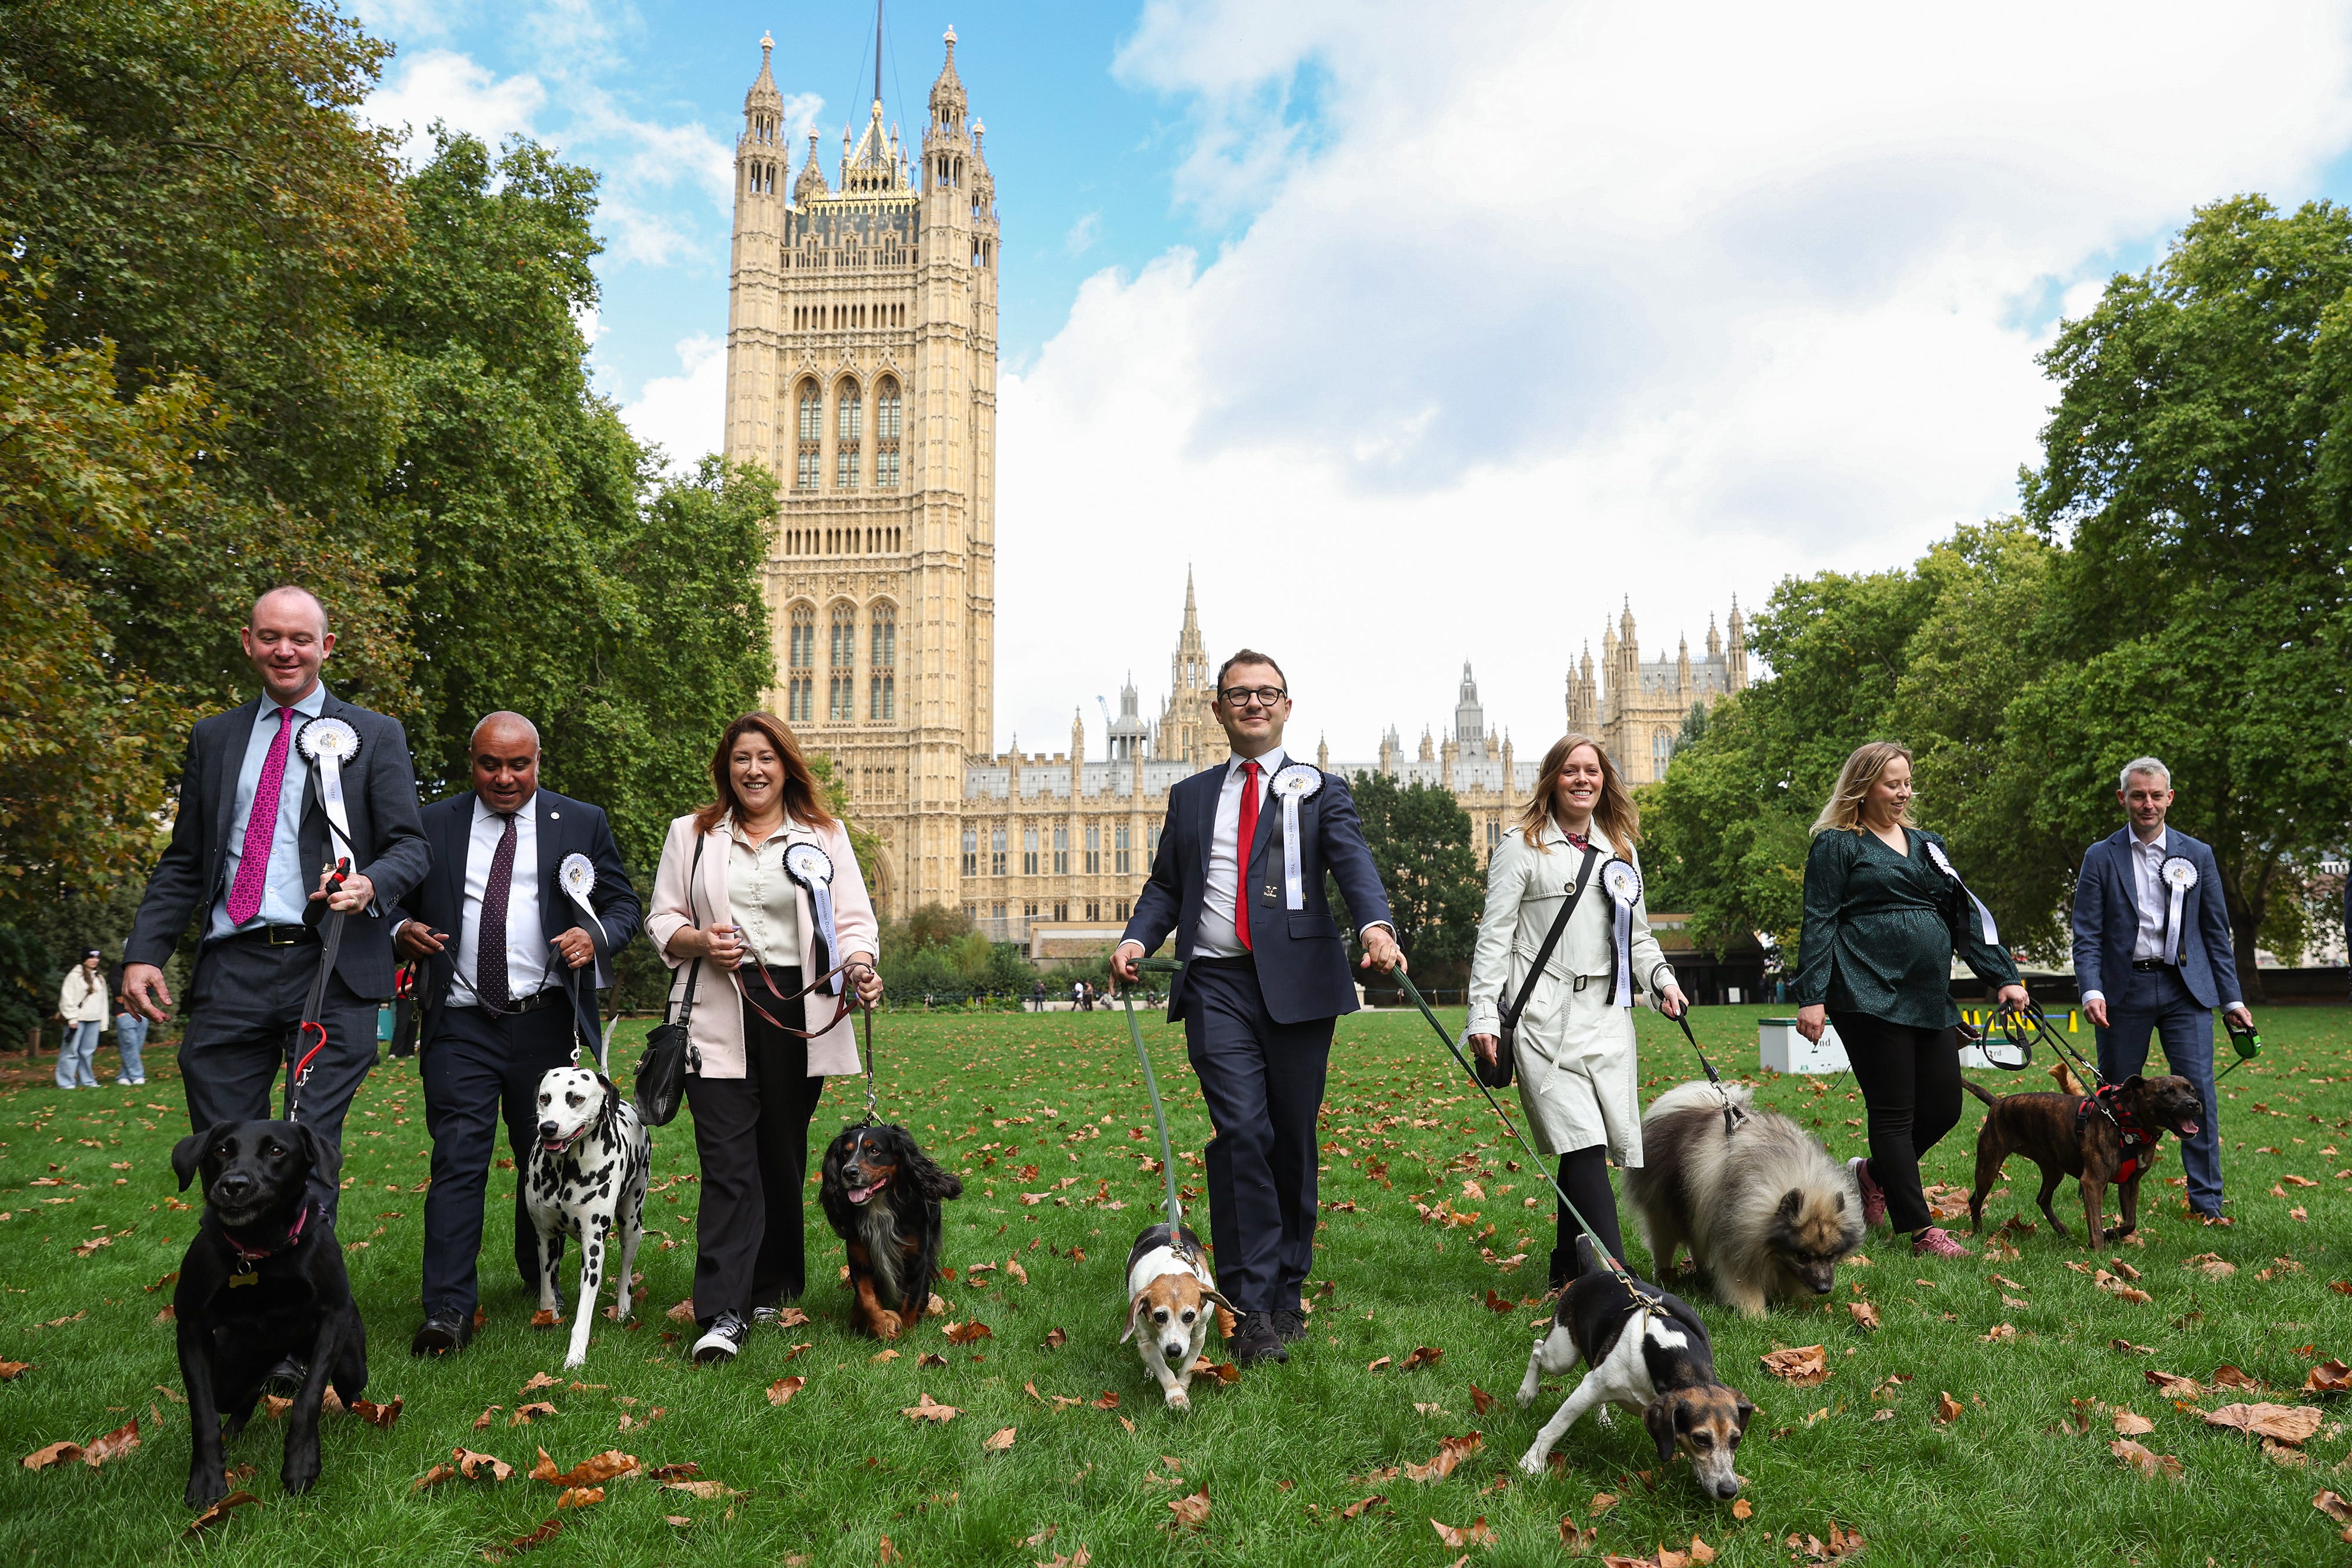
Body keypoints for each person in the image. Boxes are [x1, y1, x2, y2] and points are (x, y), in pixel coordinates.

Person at [1112, 650, 1404, 1368]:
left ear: (1286, 706)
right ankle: (1246, 1302)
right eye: (1238, 694)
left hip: (1299, 985)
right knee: (1241, 1131)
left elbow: (1354, 865)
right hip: (1215, 981)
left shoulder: (1321, 791)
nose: (1252, 704)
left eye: (1266, 693)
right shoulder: (1190, 797)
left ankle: (1286, 1290)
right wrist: (1134, 936)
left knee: (1293, 1140)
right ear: (1215, 709)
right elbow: (1163, 887)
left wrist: (1376, 925)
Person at [122, 586, 429, 1227]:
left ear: (327, 646)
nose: (285, 651)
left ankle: (304, 1303)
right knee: (227, 1151)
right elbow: (184, 859)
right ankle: (236, 1300)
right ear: (248, 642)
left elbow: (410, 846)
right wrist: (144, 952)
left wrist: (370, 883)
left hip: (330, 968)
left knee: (305, 1150)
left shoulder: (373, 735)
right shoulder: (213, 738)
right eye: (270, 637)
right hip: (231, 967)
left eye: (300, 638)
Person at [392, 712, 644, 1356]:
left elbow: (622, 905)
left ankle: (542, 1280)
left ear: (538, 761)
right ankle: (447, 1309)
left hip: (547, 1022)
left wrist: (599, 935)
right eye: (489, 764)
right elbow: (387, 896)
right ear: (470, 762)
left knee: (548, 1152)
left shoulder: (581, 821)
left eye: (519, 764)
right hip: (460, 1023)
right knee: (457, 1159)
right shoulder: (433, 823)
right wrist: (400, 931)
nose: (504, 778)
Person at [644, 713, 883, 1367]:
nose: (753, 770)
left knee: (780, 1152)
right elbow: (662, 915)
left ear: (786, 767)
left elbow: (855, 920)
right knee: (727, 1162)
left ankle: (775, 1283)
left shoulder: (823, 836)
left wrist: (859, 966)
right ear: (727, 766)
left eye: (766, 758)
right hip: (716, 1011)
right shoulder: (689, 836)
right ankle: (723, 1309)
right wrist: (696, 940)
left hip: (796, 1009)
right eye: (742, 758)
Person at [1466, 734, 1689, 1286]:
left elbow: (1637, 937)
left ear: (1605, 780)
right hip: (1544, 1016)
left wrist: (1661, 980)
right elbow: (1494, 938)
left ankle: (1568, 1267)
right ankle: (1616, 1276)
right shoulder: (1521, 846)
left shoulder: (1620, 849)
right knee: (1582, 1140)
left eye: (1593, 770)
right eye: (1571, 771)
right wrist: (1483, 1015)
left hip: (1608, 1014)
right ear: (1552, 779)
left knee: (1584, 1143)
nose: (1583, 779)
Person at [1794, 741, 2027, 1259]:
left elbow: (1963, 917)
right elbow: (1819, 920)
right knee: (1894, 1112)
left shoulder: (1929, 845)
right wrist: (1812, 995)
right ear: (1863, 786)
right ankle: (1923, 1231)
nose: (1903, 792)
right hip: (1866, 990)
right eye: (1892, 783)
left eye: (1906, 782)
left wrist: (2004, 976)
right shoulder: (1838, 845)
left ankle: (1873, 1175)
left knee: (1944, 1105)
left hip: (1928, 994)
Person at [2072, 757, 2249, 1224]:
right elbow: (2087, 933)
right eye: (2137, 795)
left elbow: (2215, 933)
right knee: (2114, 1102)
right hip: (2121, 993)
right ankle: (2109, 1198)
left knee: (2199, 1095)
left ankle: (2207, 1202)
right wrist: (2091, 990)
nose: (2147, 804)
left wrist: (2232, 1000)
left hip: (2185, 990)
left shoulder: (2199, 854)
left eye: (2155, 795)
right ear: (2123, 799)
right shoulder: (2100, 856)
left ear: (2170, 797)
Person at [54, 950, 107, 1090]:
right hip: (77, 1019)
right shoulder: (74, 976)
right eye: (92, 958)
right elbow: (67, 998)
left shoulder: (99, 978)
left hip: (94, 1019)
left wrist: (103, 1022)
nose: (95, 960)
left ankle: (88, 1081)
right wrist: (72, 1018)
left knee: (87, 1052)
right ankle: (66, 1082)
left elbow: (104, 1002)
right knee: (70, 1052)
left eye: (97, 958)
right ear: (84, 960)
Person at [108, 957, 148, 1086]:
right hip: (124, 1012)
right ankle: (137, 1075)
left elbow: (150, 989)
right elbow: (118, 988)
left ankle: (124, 1075)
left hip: (142, 1011)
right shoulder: (118, 968)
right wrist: (137, 996)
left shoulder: (146, 968)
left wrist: (129, 997)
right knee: (129, 1043)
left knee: (137, 1045)